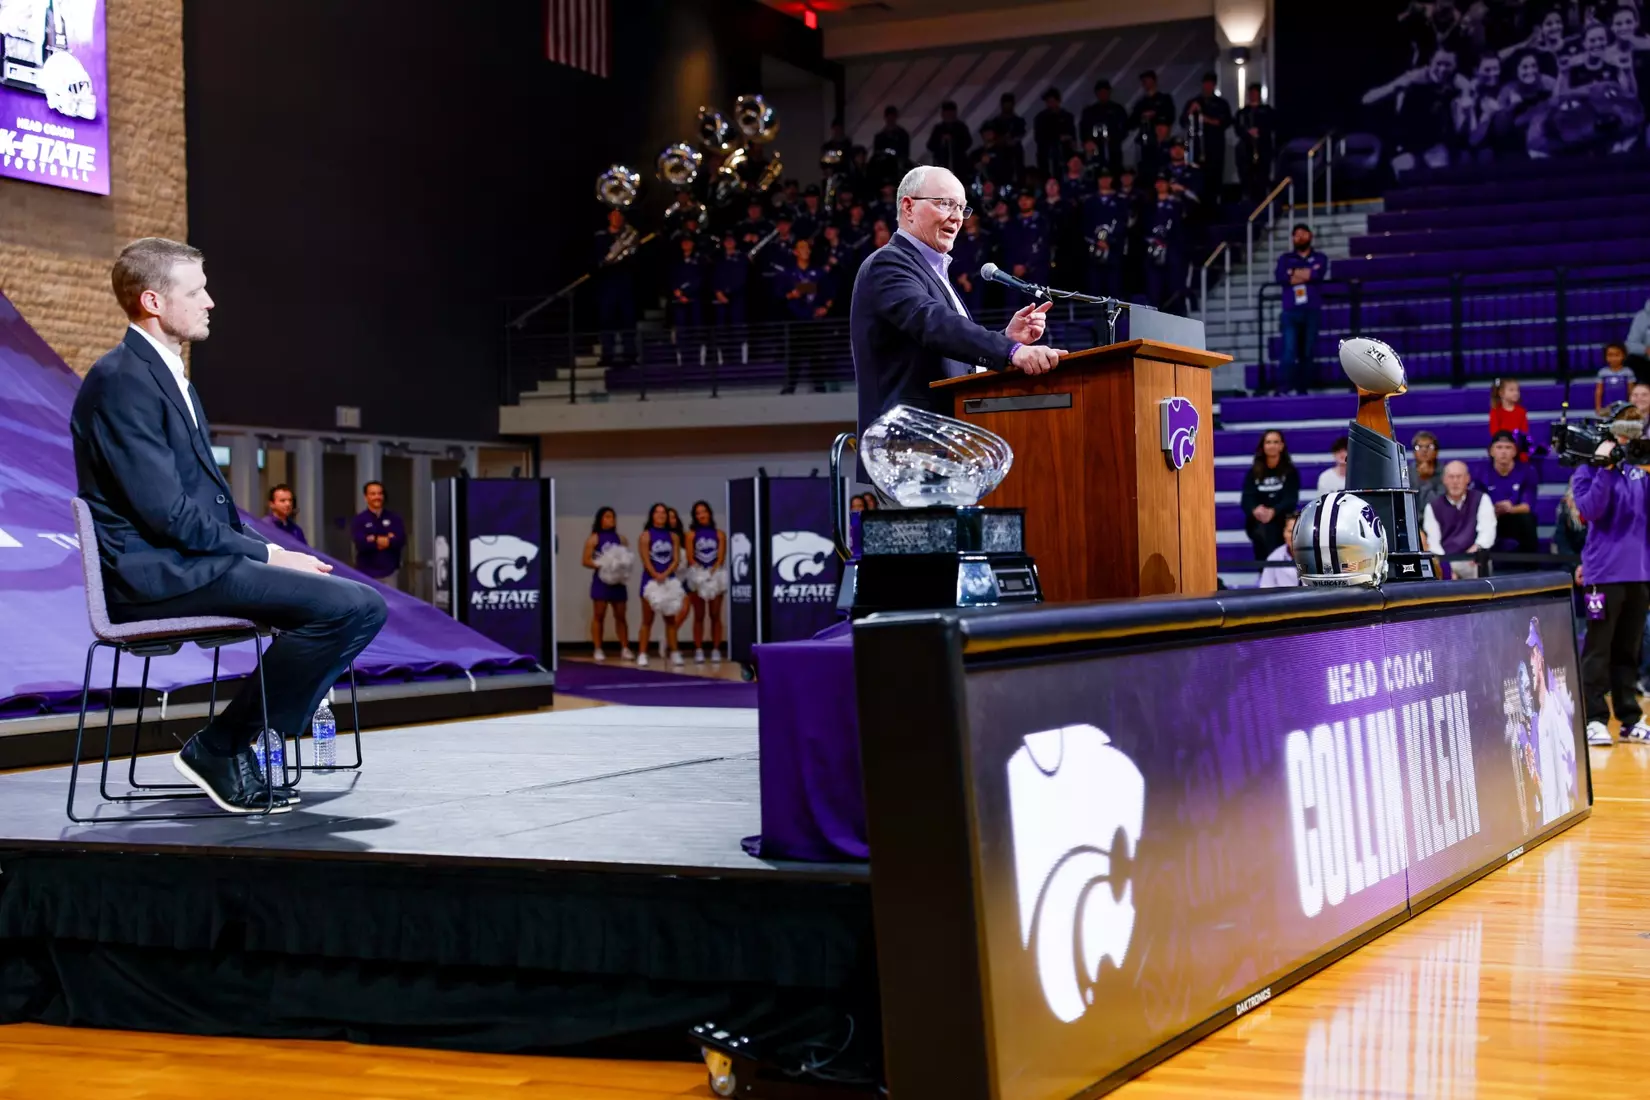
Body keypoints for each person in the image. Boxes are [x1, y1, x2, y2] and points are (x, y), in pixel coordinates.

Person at [70, 237, 385, 814]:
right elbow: (167, 513)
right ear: (153, 302)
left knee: (357, 604)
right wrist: (267, 555)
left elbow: (201, 509)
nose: (211, 301)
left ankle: (232, 743)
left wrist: (266, 549)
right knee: (352, 607)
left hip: (194, 562)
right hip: (158, 576)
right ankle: (223, 745)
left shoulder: (170, 378)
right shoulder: (121, 380)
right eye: (196, 292)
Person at [849, 166, 1063, 441]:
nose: (957, 217)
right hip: (905, 449)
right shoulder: (888, 264)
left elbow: (948, 353)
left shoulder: (931, 270)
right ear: (908, 206)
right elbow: (932, 323)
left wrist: (1005, 338)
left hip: (940, 444)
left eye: (962, 208)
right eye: (945, 204)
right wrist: (1010, 350)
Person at [1572, 419, 1650, 745]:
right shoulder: (1585, 473)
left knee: (1628, 651)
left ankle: (1630, 719)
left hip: (1639, 574)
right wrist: (1604, 469)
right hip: (1603, 575)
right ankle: (1594, 719)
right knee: (1598, 650)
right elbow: (1591, 511)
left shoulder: (1640, 474)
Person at [1275, 224, 1329, 394]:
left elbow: (1317, 275)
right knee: (1289, 350)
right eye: (1296, 235)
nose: (1299, 238)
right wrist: (1306, 274)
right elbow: (1281, 277)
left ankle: (1302, 389)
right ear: (1292, 238)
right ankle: (1285, 387)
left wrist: (1293, 273)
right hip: (1290, 310)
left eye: (1303, 234)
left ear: (1310, 236)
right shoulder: (1285, 258)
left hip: (1311, 309)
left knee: (1307, 350)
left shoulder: (1320, 257)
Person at [1422, 460, 1497, 577]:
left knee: (1480, 564)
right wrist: (1447, 566)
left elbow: (1487, 532)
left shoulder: (1481, 499)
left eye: (1459, 477)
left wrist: (1476, 551)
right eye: (1451, 477)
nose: (1455, 481)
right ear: (1444, 480)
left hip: (1473, 558)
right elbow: (1434, 543)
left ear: (1467, 479)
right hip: (1446, 559)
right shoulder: (1433, 506)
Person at [778, 238, 831, 395]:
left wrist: (825, 307)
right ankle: (790, 386)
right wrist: (791, 295)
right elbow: (779, 295)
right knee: (794, 355)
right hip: (795, 321)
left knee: (816, 354)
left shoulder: (818, 272)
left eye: (807, 248)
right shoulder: (788, 274)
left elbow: (829, 292)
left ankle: (819, 386)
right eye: (801, 248)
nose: (805, 251)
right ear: (795, 252)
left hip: (813, 320)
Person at [582, 507, 633, 662]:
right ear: (600, 520)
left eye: (613, 517)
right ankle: (598, 648)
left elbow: (626, 559)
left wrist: (620, 566)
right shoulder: (594, 538)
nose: (611, 520)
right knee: (599, 615)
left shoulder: (621, 539)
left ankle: (625, 648)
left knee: (621, 616)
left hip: (618, 582)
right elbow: (585, 560)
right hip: (601, 581)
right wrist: (603, 564)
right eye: (607, 517)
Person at [1479, 430, 1540, 556]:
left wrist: (1510, 508)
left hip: (1516, 517)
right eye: (1499, 447)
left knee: (1528, 519)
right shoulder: (1482, 474)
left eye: (1508, 447)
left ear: (1515, 451)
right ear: (1491, 451)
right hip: (1491, 518)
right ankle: (1483, 563)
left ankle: (1530, 565)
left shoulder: (1527, 471)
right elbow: (1476, 504)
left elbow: (1527, 506)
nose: (1503, 452)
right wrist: (1491, 510)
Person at [1241, 429, 1300, 559]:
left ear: (1281, 446)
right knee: (1263, 529)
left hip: (1281, 519)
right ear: (1263, 446)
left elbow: (1291, 499)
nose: (1272, 445)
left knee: (1271, 530)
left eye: (1275, 442)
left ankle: (1270, 567)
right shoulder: (1253, 472)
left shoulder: (1290, 472)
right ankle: (1266, 570)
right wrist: (1255, 510)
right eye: (1268, 442)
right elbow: (1246, 499)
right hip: (1258, 521)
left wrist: (1273, 511)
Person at [637, 503, 681, 668]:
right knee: (647, 620)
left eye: (664, 513)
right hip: (650, 581)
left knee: (670, 620)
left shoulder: (673, 536)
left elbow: (676, 559)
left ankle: (675, 653)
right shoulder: (646, 536)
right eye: (657, 512)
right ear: (652, 515)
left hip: (668, 581)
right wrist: (655, 574)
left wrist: (666, 573)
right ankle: (642, 653)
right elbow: (645, 559)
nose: (661, 515)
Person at [594, 209, 638, 365]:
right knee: (606, 320)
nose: (617, 219)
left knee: (628, 320)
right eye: (614, 216)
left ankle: (630, 354)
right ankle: (607, 354)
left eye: (620, 216)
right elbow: (598, 259)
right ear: (609, 217)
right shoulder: (600, 236)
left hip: (625, 283)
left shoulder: (628, 236)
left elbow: (634, 258)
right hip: (607, 284)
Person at [685, 500, 727, 664]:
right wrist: (701, 575)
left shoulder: (719, 534)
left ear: (709, 513)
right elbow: (690, 557)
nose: (701, 515)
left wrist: (712, 573)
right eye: (698, 513)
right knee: (699, 615)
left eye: (703, 512)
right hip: (698, 576)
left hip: (715, 576)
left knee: (715, 615)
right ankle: (699, 649)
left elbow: (721, 557)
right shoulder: (691, 535)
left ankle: (716, 649)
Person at [1180, 71, 1232, 200]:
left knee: (1214, 174)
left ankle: (1215, 200)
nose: (1207, 86)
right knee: (1197, 174)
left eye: (1210, 84)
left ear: (1214, 85)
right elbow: (1183, 122)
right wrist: (1191, 111)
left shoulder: (1221, 103)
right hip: (1196, 145)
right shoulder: (1193, 101)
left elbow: (1224, 122)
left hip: (1215, 145)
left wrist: (1206, 119)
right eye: (1205, 84)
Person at [1082, 166, 1129, 299]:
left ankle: (1117, 318)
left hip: (1114, 252)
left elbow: (1123, 224)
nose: (1104, 181)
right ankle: (1096, 318)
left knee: (1114, 288)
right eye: (1102, 178)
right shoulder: (1090, 202)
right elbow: (1085, 224)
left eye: (1107, 177)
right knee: (1094, 289)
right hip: (1094, 251)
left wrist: (1110, 241)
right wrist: (1097, 241)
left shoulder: (1120, 200)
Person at [352, 481, 407, 587]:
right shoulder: (360, 519)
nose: (377, 497)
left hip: (390, 573)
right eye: (373, 494)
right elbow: (361, 543)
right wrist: (385, 539)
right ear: (366, 497)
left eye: (380, 493)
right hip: (366, 574)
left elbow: (400, 540)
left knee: (391, 603)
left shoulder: (394, 518)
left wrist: (373, 539)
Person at [1144, 173, 1186, 311]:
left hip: (1172, 252)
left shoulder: (1177, 204)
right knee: (1153, 292)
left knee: (1175, 289)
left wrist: (1181, 192)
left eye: (1164, 181)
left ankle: (1179, 318)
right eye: (1158, 182)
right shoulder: (1148, 205)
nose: (1161, 184)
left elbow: (1183, 225)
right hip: (1153, 253)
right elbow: (1141, 228)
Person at [1235, 85, 1277, 203]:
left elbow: (1273, 125)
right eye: (1250, 93)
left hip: (1263, 147)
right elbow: (1238, 129)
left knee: (1263, 173)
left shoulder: (1267, 110)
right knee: (1247, 174)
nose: (1252, 95)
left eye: (1255, 93)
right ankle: (1247, 196)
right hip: (1247, 149)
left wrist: (1260, 131)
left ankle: (1264, 197)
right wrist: (1247, 133)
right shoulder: (1242, 112)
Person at [1079, 79, 1129, 171]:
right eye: (1100, 92)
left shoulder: (1118, 109)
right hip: (1096, 149)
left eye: (1105, 91)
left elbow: (1125, 128)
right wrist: (1088, 141)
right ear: (1096, 93)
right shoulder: (1090, 111)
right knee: (1097, 170)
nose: (1103, 94)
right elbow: (1083, 129)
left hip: (1114, 148)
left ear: (1109, 92)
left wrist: (1114, 138)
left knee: (1116, 170)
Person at [1032, 86, 1077, 178]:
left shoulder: (1067, 116)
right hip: (1046, 156)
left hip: (1064, 155)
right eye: (1048, 102)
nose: (1050, 104)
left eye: (1052, 101)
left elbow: (1072, 136)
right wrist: (1056, 138)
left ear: (1058, 101)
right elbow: (1039, 137)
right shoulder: (1041, 118)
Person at [1489, 376, 1532, 458]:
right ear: (1501, 393)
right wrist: (1505, 444)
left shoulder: (1521, 411)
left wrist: (1517, 443)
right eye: (1511, 390)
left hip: (1517, 446)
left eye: (1517, 390)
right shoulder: (1495, 411)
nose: (1516, 393)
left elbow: (1524, 431)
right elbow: (1494, 432)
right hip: (1502, 444)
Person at [926, 101, 973, 177]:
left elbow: (968, 143)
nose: (948, 115)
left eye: (951, 112)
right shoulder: (938, 129)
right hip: (941, 164)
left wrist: (954, 140)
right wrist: (942, 141)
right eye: (946, 112)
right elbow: (930, 146)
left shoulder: (961, 127)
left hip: (959, 164)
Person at [1258, 510, 1302, 588]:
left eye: (1298, 531)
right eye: (1290, 531)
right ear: (1284, 533)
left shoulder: (1319, 557)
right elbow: (1265, 588)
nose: (1294, 536)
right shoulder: (1274, 557)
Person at [1128, 70, 1175, 141]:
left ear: (1153, 80)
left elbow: (1170, 116)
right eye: (1143, 81)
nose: (1144, 83)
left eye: (1146, 80)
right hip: (1145, 138)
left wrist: (1155, 114)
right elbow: (1132, 123)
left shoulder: (1165, 99)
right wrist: (1142, 117)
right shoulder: (1141, 103)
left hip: (1161, 138)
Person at [1410, 429, 1445, 516]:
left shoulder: (1446, 474)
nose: (1424, 450)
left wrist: (1425, 480)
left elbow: (1439, 506)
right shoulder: (1406, 474)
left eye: (1429, 446)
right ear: (1413, 452)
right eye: (1419, 447)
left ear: (1436, 452)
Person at [1597, 342, 1637, 413]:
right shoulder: (1602, 373)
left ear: (1624, 355)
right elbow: (1599, 391)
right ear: (1605, 357)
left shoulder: (1628, 372)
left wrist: (1631, 406)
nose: (1614, 358)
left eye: (1617, 355)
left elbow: (1631, 391)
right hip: (1607, 408)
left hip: (1624, 407)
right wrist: (1598, 407)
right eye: (1610, 355)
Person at [1627, 296, 1650, 373]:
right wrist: (1646, 350)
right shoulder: (1641, 317)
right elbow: (1630, 344)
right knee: (1631, 360)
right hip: (1646, 360)